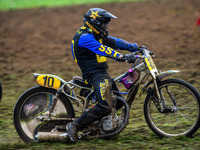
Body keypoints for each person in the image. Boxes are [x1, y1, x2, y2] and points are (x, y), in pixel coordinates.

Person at [67, 8, 140, 142]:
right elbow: (102, 49)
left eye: (106, 24)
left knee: (118, 102)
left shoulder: (94, 34)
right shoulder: (84, 37)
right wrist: (121, 57)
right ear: (93, 23)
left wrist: (134, 47)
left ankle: (97, 126)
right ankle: (74, 126)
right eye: (103, 24)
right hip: (94, 75)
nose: (105, 27)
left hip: (102, 74)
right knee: (105, 105)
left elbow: (113, 41)